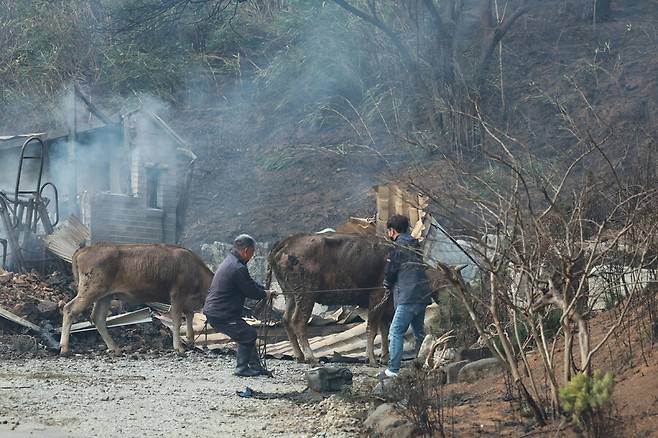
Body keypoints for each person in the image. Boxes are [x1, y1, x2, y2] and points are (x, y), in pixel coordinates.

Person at [203, 234, 276, 377]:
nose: (252, 256)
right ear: (246, 251)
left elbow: (249, 283)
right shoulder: (237, 268)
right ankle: (241, 368)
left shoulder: (232, 262)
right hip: (221, 313)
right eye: (253, 253)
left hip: (218, 311)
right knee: (248, 334)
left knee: (247, 334)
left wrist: (265, 291)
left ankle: (255, 366)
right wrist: (265, 293)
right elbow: (250, 291)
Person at [378, 214, 432, 379]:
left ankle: (393, 370)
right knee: (419, 332)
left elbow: (391, 271)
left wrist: (387, 283)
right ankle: (422, 365)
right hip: (422, 295)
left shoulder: (397, 247)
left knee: (396, 331)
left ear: (392, 231)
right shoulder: (416, 245)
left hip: (407, 297)